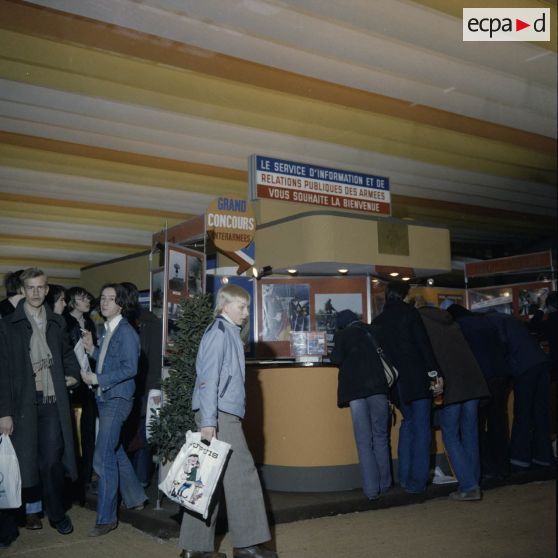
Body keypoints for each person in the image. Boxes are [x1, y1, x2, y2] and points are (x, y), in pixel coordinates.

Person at [179, 284, 278, 558]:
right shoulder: (220, 333)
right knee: (243, 476)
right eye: (241, 307)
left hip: (220, 413)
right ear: (225, 306)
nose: (246, 313)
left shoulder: (226, 332)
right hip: (220, 415)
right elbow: (208, 379)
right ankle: (246, 546)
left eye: (246, 307)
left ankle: (194, 549)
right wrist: (209, 421)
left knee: (206, 479)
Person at [2, 268, 80, 535]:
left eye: (41, 287)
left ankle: (57, 514)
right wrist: (4, 413)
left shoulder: (57, 324)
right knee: (20, 464)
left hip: (50, 401)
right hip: (21, 403)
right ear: (22, 290)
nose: (36, 293)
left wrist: (72, 375)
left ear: (47, 290)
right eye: (30, 288)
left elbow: (68, 355)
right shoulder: (8, 325)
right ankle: (11, 523)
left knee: (51, 462)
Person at [81, 283, 147, 537]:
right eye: (103, 298)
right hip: (106, 397)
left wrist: (97, 379)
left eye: (111, 299)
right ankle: (136, 497)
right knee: (115, 449)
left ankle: (107, 518)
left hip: (117, 399)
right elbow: (111, 361)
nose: (104, 302)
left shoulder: (127, 332)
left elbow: (130, 369)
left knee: (103, 456)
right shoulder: (110, 329)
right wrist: (92, 350)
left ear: (121, 304)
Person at [372, 282, 441, 494]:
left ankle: (403, 476)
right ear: (404, 295)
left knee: (408, 424)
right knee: (422, 430)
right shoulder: (411, 314)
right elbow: (423, 346)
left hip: (396, 385)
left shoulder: (379, 321)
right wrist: (434, 375)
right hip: (418, 380)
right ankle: (416, 483)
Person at [417, 303, 490, 501]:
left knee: (450, 435)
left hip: (451, 386)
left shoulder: (421, 323)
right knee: (470, 434)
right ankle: (473, 482)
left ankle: (468, 486)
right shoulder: (451, 322)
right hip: (473, 383)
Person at [330, 309, 392, 500]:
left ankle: (371, 491)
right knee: (381, 437)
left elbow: (336, 359)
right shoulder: (375, 331)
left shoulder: (342, 335)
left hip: (356, 392)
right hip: (378, 389)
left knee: (364, 442)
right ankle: (385, 484)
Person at [445, 303, 511, 480]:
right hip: (500, 375)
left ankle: (486, 468)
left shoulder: (459, 327)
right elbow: (503, 344)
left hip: (480, 379)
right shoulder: (486, 322)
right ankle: (503, 466)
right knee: (499, 421)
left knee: (477, 426)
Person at [485, 310, 554, 470]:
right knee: (540, 413)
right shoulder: (510, 319)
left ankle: (519, 459)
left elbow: (502, 344)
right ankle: (543, 457)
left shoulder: (491, 322)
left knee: (522, 412)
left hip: (524, 368)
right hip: (542, 363)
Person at [121, 282, 162, 488]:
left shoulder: (134, 325)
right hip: (152, 386)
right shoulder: (152, 322)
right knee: (145, 433)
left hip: (140, 387)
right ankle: (142, 478)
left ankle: (135, 480)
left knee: (135, 434)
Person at [64, 287, 98, 496]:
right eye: (82, 298)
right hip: (73, 385)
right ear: (72, 301)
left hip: (90, 384)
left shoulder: (91, 323)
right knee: (73, 433)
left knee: (88, 432)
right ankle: (74, 478)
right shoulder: (64, 322)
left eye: (88, 298)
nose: (87, 301)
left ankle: (86, 476)